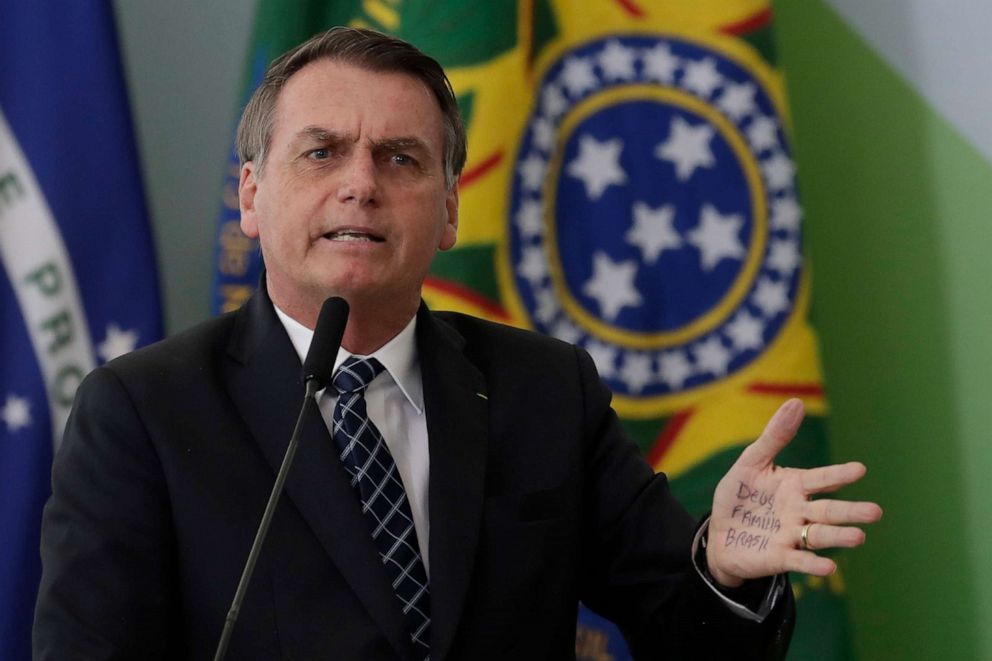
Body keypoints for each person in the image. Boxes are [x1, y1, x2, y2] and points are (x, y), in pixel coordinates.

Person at [33, 27, 882, 660]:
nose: (360, 183)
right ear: (252, 195)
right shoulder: (144, 412)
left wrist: (724, 575)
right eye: (322, 152)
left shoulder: (545, 390)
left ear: (446, 211)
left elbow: (691, 638)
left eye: (400, 159)